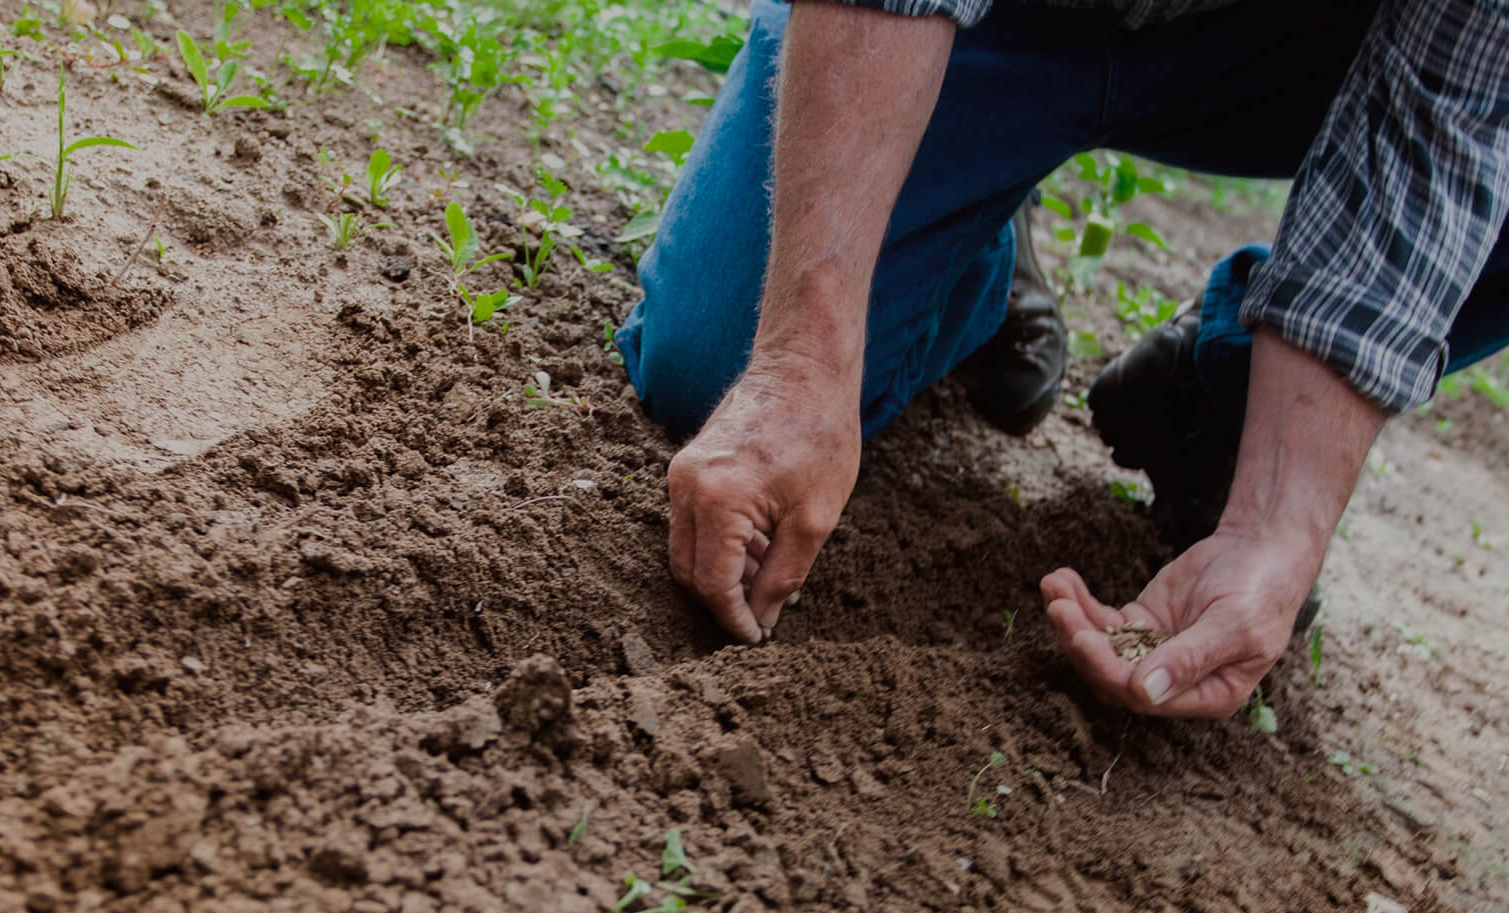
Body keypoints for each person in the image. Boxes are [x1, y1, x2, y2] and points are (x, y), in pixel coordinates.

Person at [616, 0, 1509, 719]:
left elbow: (1445, 119)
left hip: (1295, 44)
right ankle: (975, 259)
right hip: (1004, 18)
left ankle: (1223, 402)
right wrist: (800, 361)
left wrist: (1278, 524)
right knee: (716, 364)